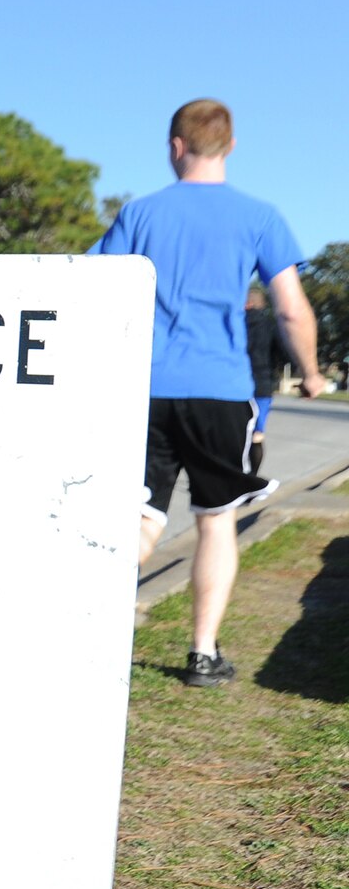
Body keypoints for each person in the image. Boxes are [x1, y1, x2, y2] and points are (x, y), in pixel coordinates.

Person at [91, 99, 324, 688]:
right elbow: (291, 309)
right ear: (231, 145)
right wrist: (313, 372)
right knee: (216, 520)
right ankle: (202, 654)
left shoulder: (140, 213)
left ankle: (89, 633)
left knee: (141, 518)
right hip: (221, 392)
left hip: (144, 390)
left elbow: (90, 287)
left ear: (175, 146)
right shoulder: (261, 216)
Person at [243, 287, 290, 475]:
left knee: (234, 432)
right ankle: (252, 478)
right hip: (262, 385)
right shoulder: (271, 325)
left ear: (246, 303)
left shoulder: (234, 322)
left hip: (235, 384)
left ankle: (232, 478)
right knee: (256, 435)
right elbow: (285, 355)